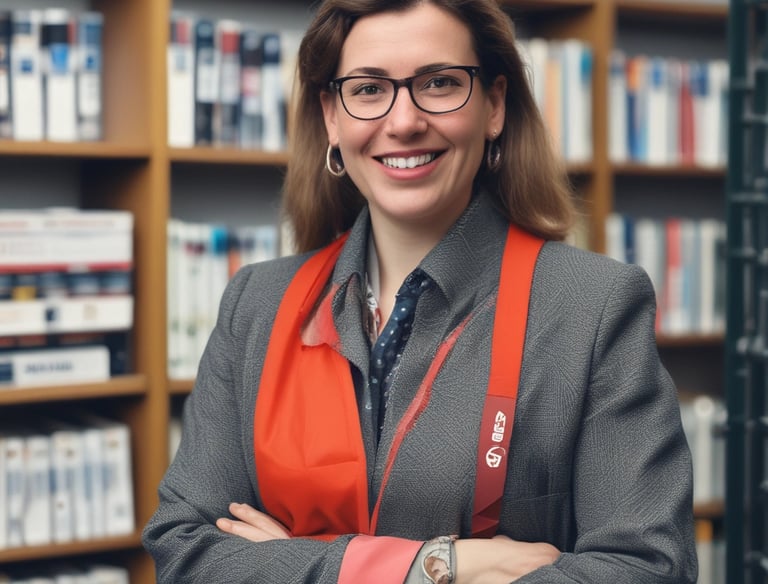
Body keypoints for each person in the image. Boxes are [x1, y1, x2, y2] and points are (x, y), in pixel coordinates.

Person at [142, 0, 698, 582]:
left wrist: (284, 563)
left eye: (439, 83)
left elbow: (647, 570)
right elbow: (184, 552)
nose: (404, 121)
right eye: (367, 89)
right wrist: (435, 565)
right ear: (332, 115)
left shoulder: (595, 308)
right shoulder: (255, 303)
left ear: (494, 105)